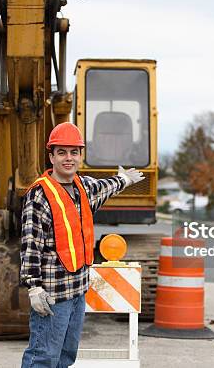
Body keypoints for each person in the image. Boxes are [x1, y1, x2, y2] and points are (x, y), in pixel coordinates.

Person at [20, 122, 144, 368]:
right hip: (52, 296)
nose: (69, 158)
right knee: (43, 357)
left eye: (74, 152)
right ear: (51, 156)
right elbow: (30, 245)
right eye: (62, 152)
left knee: (66, 358)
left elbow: (104, 188)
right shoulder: (39, 195)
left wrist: (123, 179)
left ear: (80, 155)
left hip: (78, 291)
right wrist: (34, 287)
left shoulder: (83, 187)